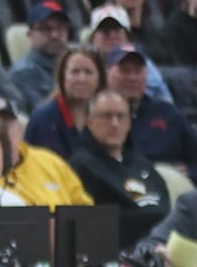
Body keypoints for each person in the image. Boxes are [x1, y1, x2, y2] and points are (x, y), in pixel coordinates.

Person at [69, 88, 168, 243]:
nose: (115, 124)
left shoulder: (143, 164)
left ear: (129, 123)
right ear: (89, 121)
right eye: (106, 116)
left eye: (121, 116)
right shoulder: (79, 167)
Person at [107, 44, 197, 174]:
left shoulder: (168, 113)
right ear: (107, 73)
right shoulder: (98, 116)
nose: (132, 77)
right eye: (125, 70)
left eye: (138, 71)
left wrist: (188, 172)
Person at [24, 44, 105, 157]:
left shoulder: (108, 115)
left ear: (100, 79)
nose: (82, 79)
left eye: (88, 72)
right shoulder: (44, 118)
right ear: (62, 77)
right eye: (75, 72)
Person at [9, 0, 74, 110]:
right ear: (30, 35)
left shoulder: (76, 61)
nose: (55, 35)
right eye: (45, 29)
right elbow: (38, 117)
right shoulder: (23, 72)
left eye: (60, 28)